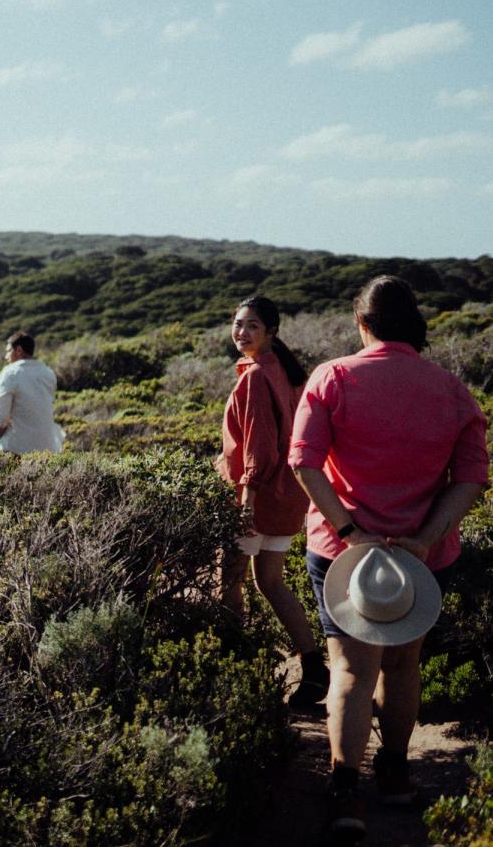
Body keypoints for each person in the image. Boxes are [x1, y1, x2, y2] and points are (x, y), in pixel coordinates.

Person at [289, 275, 488, 841]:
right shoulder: (451, 389)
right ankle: (395, 774)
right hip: (420, 561)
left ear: (362, 322)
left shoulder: (334, 377)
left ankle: (345, 791)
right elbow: (472, 477)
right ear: (414, 324)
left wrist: (351, 531)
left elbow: (303, 462)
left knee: (350, 670)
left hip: (343, 555)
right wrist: (424, 538)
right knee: (403, 665)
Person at [215, 295, 329, 706]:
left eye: (252, 326)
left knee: (229, 582)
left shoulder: (256, 377)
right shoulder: (281, 368)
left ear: (272, 333)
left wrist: (244, 508)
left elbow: (257, 451)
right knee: (270, 582)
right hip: (285, 496)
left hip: (256, 499)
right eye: (238, 323)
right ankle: (315, 669)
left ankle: (231, 674)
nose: (241, 332)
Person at [0, 331, 65, 454]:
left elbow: (1, 418)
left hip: (19, 448)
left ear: (18, 350)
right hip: (49, 448)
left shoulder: (10, 373)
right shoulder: (48, 373)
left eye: (8, 351)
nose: (6, 357)